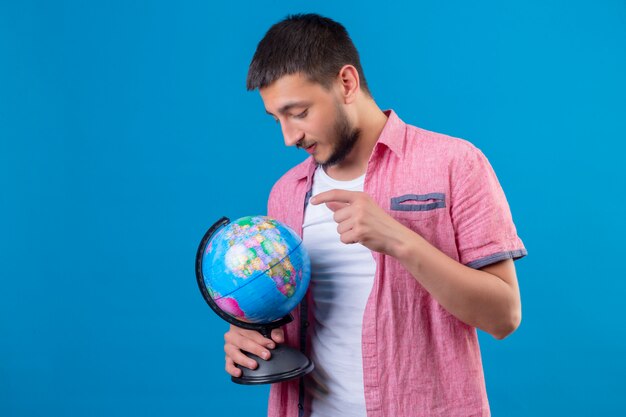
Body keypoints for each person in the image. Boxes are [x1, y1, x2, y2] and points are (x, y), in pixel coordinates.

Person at [223, 13, 527, 417]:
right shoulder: (285, 193)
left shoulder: (455, 163)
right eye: (276, 118)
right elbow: (286, 314)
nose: (288, 137)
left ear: (346, 83)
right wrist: (246, 334)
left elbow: (504, 316)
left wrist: (401, 240)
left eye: (298, 112)